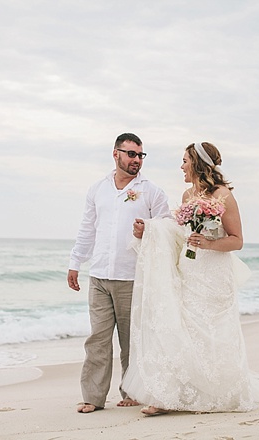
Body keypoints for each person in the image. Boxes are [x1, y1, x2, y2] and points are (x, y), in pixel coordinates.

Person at [122, 142, 259, 416]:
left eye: (185, 160)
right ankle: (170, 396)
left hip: (214, 276)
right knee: (182, 330)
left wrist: (208, 243)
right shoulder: (187, 195)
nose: (181, 166)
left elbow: (237, 241)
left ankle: (217, 393)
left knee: (213, 335)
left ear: (197, 163)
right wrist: (149, 230)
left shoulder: (223, 196)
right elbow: (178, 233)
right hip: (190, 271)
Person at [68, 133, 172, 414]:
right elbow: (88, 228)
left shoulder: (152, 191)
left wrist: (147, 229)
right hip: (100, 274)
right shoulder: (97, 189)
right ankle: (93, 397)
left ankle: (132, 391)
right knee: (98, 339)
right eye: (131, 154)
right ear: (116, 154)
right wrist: (76, 261)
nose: (137, 160)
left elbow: (170, 228)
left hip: (133, 276)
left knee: (131, 340)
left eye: (140, 155)